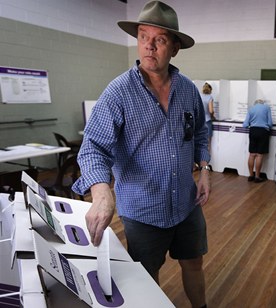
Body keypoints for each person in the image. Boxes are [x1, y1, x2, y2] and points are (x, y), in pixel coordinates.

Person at [72, 2, 210, 307]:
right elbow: (93, 146)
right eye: (143, 36)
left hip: (187, 204)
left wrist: (204, 169)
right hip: (144, 211)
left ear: (174, 48)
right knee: (146, 277)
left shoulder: (187, 90)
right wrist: (101, 191)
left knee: (194, 263)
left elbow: (201, 131)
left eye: (159, 39)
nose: (149, 46)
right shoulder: (118, 93)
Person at [242, 99, 273, 183]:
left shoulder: (251, 109)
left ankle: (251, 175)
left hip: (253, 131)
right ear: (263, 103)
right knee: (259, 155)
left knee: (252, 154)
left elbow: (245, 125)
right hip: (263, 132)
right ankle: (257, 176)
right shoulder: (267, 108)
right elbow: (270, 123)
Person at [200, 82, 215, 151]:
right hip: (207, 121)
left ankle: (198, 161)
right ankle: (206, 160)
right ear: (210, 90)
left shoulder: (199, 96)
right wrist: (212, 116)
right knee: (208, 143)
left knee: (199, 142)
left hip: (199, 122)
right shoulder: (210, 97)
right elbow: (211, 110)